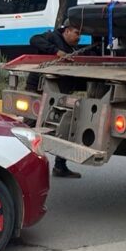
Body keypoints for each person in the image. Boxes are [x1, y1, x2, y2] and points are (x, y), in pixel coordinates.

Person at [27, 24, 84, 178]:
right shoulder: (53, 37)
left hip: (59, 93)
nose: (79, 37)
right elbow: (34, 39)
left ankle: (60, 167)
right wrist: (56, 52)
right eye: (77, 33)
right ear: (66, 31)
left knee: (65, 127)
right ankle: (21, 165)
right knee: (30, 127)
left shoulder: (73, 49)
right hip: (39, 89)